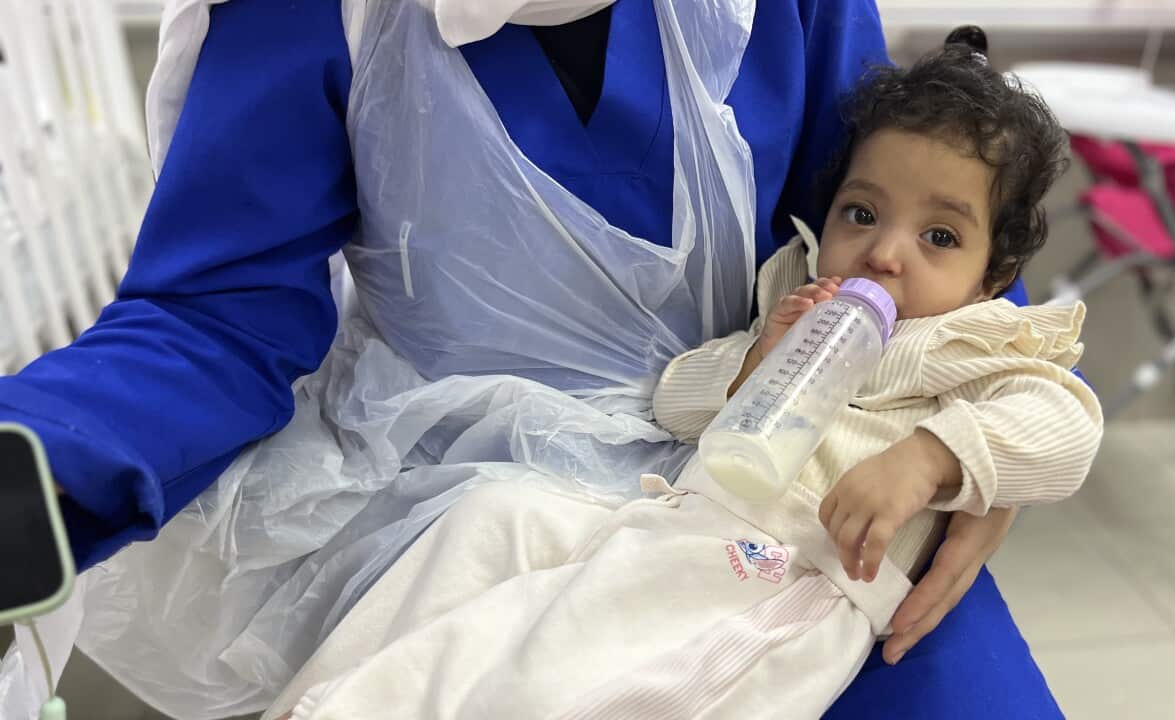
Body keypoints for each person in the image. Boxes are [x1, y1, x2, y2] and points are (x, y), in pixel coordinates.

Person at [0, 2, 1064, 718]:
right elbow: (213, 319)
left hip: (794, 487)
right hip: (453, 482)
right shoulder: (308, 18)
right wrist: (46, 463)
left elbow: (920, 209)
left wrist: (966, 436)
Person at [261, 43, 1102, 720]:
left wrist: (930, 458)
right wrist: (753, 364)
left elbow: (1066, 425)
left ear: (998, 274)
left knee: (567, 686)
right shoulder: (795, 290)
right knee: (485, 523)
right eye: (861, 213)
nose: (885, 253)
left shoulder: (983, 340)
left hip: (786, 583)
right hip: (675, 517)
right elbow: (675, 400)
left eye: (941, 238)